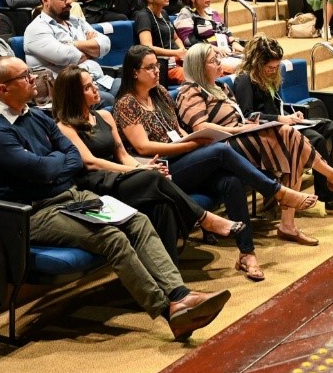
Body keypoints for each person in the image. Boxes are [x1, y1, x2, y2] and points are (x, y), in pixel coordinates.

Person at [0, 56, 232, 339]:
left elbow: (72, 159)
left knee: (137, 221)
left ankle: (179, 294)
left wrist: (53, 162)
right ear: (3, 89)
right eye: (24, 76)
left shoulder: (37, 115)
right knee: (112, 237)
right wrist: (55, 161)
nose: (33, 79)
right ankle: (168, 311)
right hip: (35, 212)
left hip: (73, 195)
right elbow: (43, 171)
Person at [112, 47, 317, 283]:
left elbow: (177, 130)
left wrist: (188, 139)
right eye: (149, 67)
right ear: (135, 73)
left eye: (157, 65)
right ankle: (276, 190)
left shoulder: (159, 94)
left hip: (182, 155)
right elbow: (143, 148)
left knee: (230, 182)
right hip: (159, 170)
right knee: (220, 150)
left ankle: (247, 254)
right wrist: (191, 146)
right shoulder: (126, 103)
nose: (157, 71)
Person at [175, 44, 333, 247]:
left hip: (241, 138)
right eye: (213, 60)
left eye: (218, 58)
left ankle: (289, 223)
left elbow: (241, 118)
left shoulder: (221, 87)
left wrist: (250, 125)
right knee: (288, 136)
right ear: (198, 65)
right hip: (221, 147)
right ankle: (331, 178)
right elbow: (201, 128)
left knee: (291, 137)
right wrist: (240, 130)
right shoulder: (190, 91)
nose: (219, 63)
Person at [50, 67, 244, 266]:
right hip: (97, 185)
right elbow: (91, 162)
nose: (95, 89)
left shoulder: (104, 116)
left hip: (123, 177)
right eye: (87, 87)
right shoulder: (64, 126)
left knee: (163, 204)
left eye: (93, 83)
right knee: (153, 178)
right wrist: (139, 170)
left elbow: (123, 155)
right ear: (73, 94)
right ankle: (204, 219)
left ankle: (172, 278)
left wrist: (145, 166)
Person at [229, 36, 333, 214]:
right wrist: (281, 119)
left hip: (281, 127)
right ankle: (330, 195)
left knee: (328, 125)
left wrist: (290, 116)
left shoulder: (267, 79)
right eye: (269, 68)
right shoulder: (244, 80)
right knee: (318, 140)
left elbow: (274, 107)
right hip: (267, 135)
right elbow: (248, 115)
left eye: (276, 67)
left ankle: (326, 184)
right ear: (257, 64)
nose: (273, 71)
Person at [24, 0, 118, 106]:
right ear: (45, 0)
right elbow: (68, 56)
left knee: (132, 87)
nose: (69, 2)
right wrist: (91, 48)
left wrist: (74, 44)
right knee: (108, 99)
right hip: (69, 93)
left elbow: (105, 44)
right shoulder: (36, 29)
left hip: (100, 81)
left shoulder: (75, 20)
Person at [174, 0, 244, 73]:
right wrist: (212, 48)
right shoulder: (186, 13)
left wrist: (234, 42)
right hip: (207, 58)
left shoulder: (212, 12)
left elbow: (225, 30)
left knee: (256, 61)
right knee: (243, 68)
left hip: (226, 52)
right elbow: (189, 41)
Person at [134, 0, 188, 85]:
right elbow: (147, 47)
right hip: (162, 66)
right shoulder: (143, 16)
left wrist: (182, 50)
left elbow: (175, 37)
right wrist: (176, 53)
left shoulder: (163, 13)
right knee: (197, 77)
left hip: (177, 60)